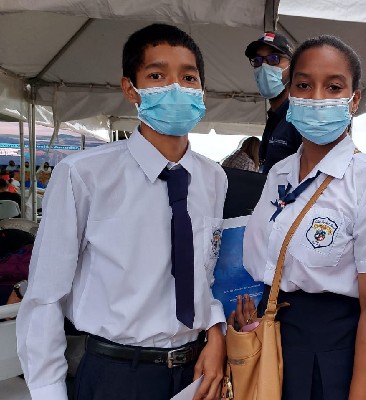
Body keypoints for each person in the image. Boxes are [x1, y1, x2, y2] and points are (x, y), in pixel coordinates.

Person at [17, 23, 227, 400]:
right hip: (117, 374)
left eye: (189, 77)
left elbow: (202, 277)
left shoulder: (213, 179)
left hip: (195, 371)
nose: (176, 88)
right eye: (157, 75)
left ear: (202, 91)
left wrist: (215, 332)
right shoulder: (83, 175)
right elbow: (46, 293)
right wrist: (48, 390)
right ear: (131, 88)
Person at [242, 35, 366, 400]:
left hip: (335, 355)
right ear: (290, 93)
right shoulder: (280, 173)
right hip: (272, 339)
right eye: (304, 85)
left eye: (333, 87)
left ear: (354, 99)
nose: (317, 97)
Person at [245, 32, 302, 173]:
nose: (264, 67)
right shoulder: (274, 117)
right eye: (257, 60)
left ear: (293, 67)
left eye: (273, 58)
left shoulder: (300, 118)